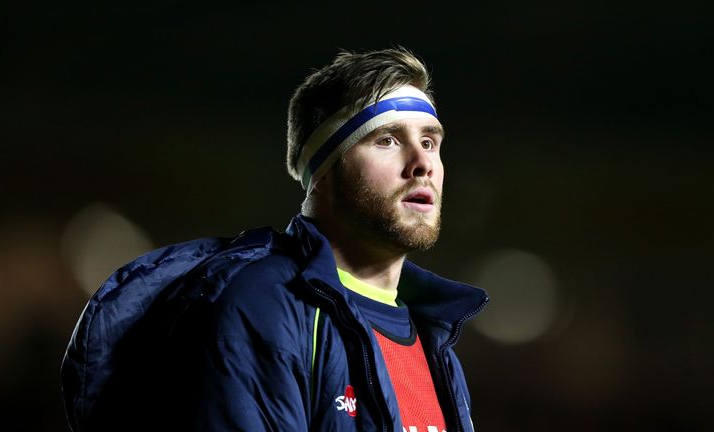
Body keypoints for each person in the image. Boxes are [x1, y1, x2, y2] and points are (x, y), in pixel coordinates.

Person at [61, 47, 488, 432]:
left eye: (430, 142)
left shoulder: (435, 341)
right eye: (387, 140)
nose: (422, 164)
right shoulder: (263, 306)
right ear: (322, 174)